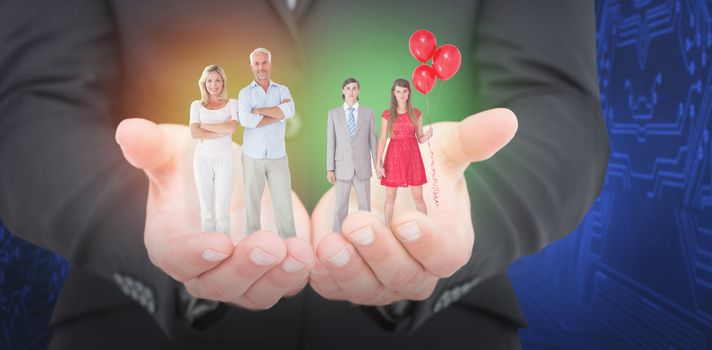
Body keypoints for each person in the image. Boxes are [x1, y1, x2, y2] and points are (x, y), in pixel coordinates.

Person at [0, 1, 609, 349]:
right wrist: (149, 220)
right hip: (138, 331)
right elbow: (31, 116)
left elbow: (556, 107)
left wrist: (444, 221)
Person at [238, 47, 298, 239]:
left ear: (270, 64)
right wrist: (278, 114)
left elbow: (290, 111)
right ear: (251, 66)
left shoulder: (283, 89)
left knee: (284, 204)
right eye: (257, 63)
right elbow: (246, 121)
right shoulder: (245, 93)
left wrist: (259, 111)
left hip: (277, 156)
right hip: (252, 157)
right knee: (252, 203)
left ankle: (290, 245)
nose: (261, 67)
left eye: (264, 62)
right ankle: (253, 243)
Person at [189, 64, 238, 237]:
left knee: (223, 211)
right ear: (204, 83)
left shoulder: (232, 104)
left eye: (217, 80)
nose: (213, 84)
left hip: (225, 161)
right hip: (202, 160)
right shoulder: (196, 105)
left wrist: (205, 126)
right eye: (209, 80)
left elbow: (232, 128)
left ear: (223, 83)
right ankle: (209, 245)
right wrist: (220, 130)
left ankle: (223, 246)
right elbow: (195, 133)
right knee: (207, 211)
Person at [375, 78, 433, 226]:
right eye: (398, 91)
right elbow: (382, 139)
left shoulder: (416, 113)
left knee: (418, 197)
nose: (401, 95)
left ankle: (425, 226)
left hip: (412, 156)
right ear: (394, 93)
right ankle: (388, 229)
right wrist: (378, 162)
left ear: (409, 93)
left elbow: (419, 137)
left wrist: (425, 136)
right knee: (390, 197)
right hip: (394, 156)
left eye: (404, 91)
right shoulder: (387, 115)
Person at [326, 77, 377, 232]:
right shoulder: (333, 114)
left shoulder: (368, 113)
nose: (351, 91)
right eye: (348, 88)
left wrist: (378, 165)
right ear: (343, 91)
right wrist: (330, 168)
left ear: (358, 91)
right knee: (340, 208)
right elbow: (330, 143)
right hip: (341, 167)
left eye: (354, 88)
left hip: (363, 166)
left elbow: (373, 141)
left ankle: (367, 234)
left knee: (365, 207)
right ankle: (336, 237)